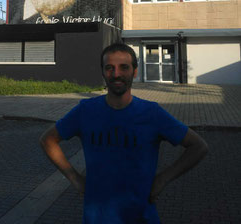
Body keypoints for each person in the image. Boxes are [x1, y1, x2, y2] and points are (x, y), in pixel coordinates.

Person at [40, 43, 208, 223]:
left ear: (135, 72)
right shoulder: (85, 111)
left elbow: (198, 146)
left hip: (141, 217)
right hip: (96, 218)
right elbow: (48, 140)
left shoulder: (152, 113)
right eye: (109, 68)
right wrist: (74, 178)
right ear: (103, 72)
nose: (116, 74)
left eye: (124, 67)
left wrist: (162, 180)